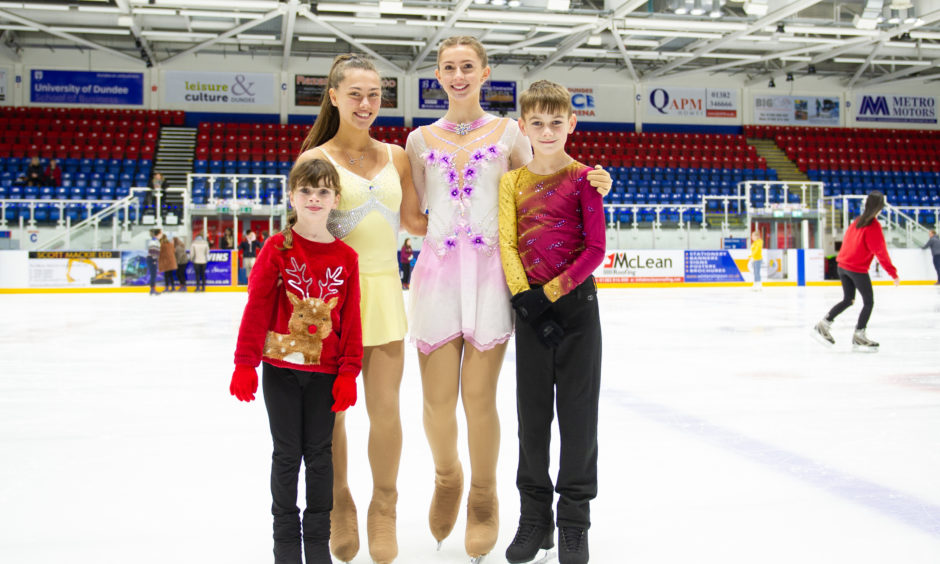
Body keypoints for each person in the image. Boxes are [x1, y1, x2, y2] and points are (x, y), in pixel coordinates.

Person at [404, 36, 611, 563]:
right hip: (439, 274)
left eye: (467, 66)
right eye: (448, 67)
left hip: (497, 277)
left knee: (481, 398)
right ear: (438, 74)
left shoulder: (511, 131)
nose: (457, 74)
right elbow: (410, 213)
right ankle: (448, 475)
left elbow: (546, 172)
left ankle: (485, 496)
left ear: (484, 71)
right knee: (435, 402)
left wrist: (596, 177)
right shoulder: (417, 139)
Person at [294, 53, 427, 564]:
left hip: (384, 292)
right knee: (331, 415)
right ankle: (339, 505)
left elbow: (416, 222)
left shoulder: (396, 156)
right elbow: (304, 238)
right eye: (355, 94)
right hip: (328, 298)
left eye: (375, 95)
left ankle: (384, 508)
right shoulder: (315, 160)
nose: (367, 103)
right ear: (333, 97)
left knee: (385, 412)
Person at [229, 158, 362, 564]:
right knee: (287, 454)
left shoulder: (346, 257)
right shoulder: (277, 248)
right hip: (281, 372)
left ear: (335, 199)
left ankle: (317, 545)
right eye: (306, 191)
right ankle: (286, 547)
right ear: (292, 196)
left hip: (325, 376)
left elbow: (352, 318)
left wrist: (349, 371)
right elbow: (257, 306)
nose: (314, 198)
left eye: (323, 191)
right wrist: (245, 362)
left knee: (320, 454)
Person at [498, 80, 605, 564]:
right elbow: (508, 243)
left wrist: (552, 294)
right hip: (530, 311)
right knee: (533, 417)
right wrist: (527, 300)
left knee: (579, 418)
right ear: (523, 127)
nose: (546, 131)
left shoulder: (585, 179)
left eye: (555, 123)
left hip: (577, 310)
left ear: (571, 125)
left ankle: (574, 522)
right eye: (536, 123)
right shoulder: (512, 182)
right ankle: (534, 517)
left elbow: (596, 248)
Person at [814, 190, 899, 351]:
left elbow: (847, 241)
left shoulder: (857, 221)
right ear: (879, 208)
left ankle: (823, 324)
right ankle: (859, 335)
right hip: (856, 268)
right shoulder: (873, 226)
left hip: (843, 267)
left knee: (848, 300)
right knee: (868, 302)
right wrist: (892, 273)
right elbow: (880, 252)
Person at [146, 228, 161, 295]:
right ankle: (152, 289)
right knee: (153, 275)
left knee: (154, 275)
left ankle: (153, 288)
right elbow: (152, 251)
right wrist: (154, 259)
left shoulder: (155, 241)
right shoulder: (154, 241)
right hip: (152, 259)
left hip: (152, 259)